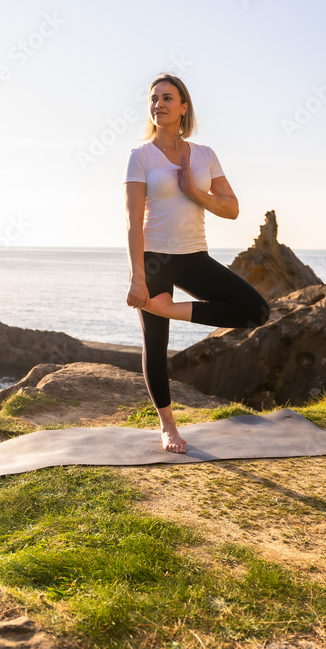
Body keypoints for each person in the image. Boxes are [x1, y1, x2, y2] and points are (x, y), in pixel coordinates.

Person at [124, 74, 270, 454]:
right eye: (154, 99)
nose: (159, 104)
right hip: (155, 259)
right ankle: (168, 426)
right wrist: (138, 278)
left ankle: (172, 310)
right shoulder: (141, 156)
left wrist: (193, 191)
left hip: (195, 256)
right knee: (155, 344)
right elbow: (133, 222)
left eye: (167, 98)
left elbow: (232, 209)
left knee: (256, 311)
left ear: (184, 106)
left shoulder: (204, 155)